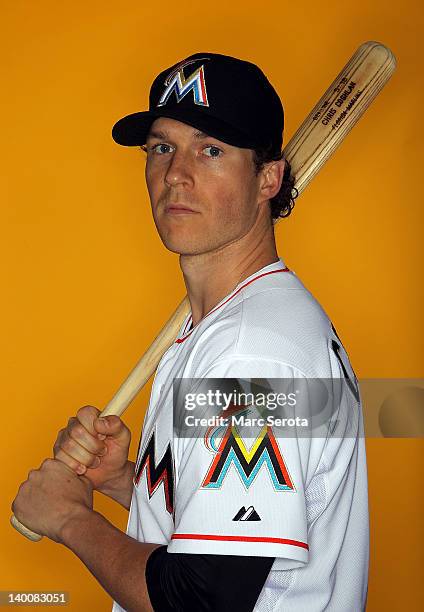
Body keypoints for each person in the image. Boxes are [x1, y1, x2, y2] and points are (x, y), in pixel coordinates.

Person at [12, 53, 369, 611]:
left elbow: (202, 600)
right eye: (161, 147)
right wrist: (127, 481)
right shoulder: (227, 328)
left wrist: (71, 518)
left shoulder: (255, 356)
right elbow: (242, 531)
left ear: (267, 179)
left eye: (211, 150)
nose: (175, 173)